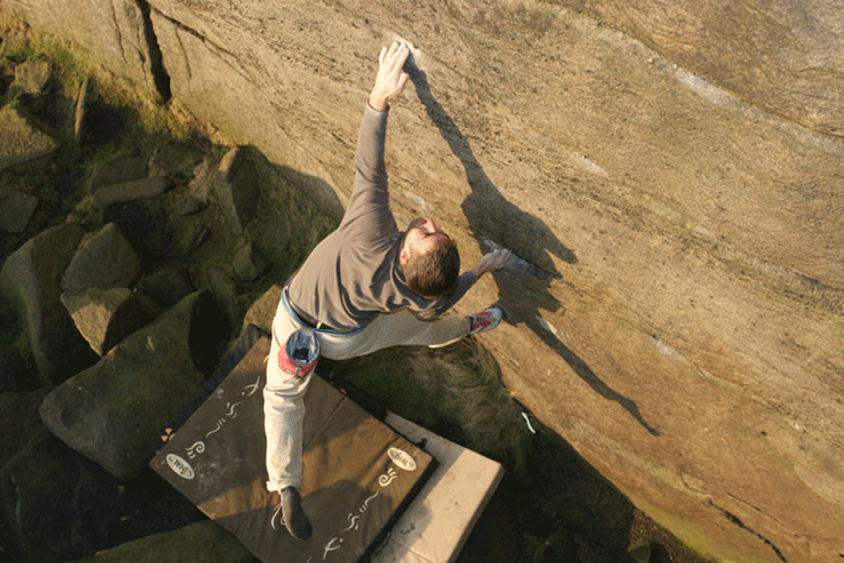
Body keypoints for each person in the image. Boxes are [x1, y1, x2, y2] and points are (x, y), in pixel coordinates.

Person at [263, 40, 510, 540]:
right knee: (423, 332)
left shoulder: (371, 230)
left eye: (425, 233)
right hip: (350, 335)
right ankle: (476, 325)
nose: (428, 221)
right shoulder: (419, 294)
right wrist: (481, 271)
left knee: (282, 398)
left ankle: (286, 484)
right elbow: (441, 296)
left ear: (404, 254)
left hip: (300, 328)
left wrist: (380, 96)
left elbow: (368, 165)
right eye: (436, 231)